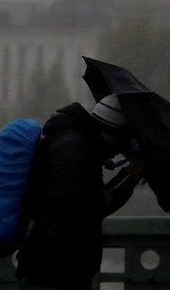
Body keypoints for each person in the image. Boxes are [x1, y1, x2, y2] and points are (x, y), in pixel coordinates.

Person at [16, 94, 144, 290]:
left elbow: (89, 203)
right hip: (55, 268)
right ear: (111, 131)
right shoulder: (74, 149)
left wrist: (128, 178)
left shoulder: (77, 144)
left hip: (58, 268)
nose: (121, 149)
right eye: (122, 140)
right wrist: (127, 179)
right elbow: (81, 211)